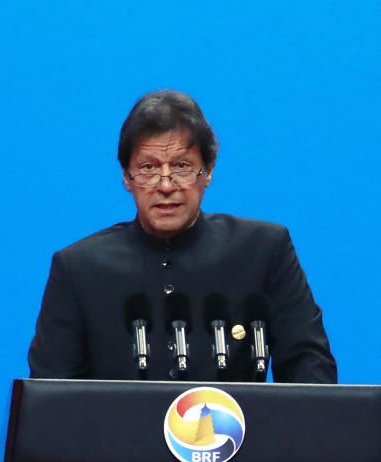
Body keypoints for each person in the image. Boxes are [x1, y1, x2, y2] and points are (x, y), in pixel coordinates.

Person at [27, 89, 336, 383]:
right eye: (148, 168)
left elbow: (311, 372)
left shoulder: (264, 250)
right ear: (126, 177)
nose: (165, 185)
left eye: (182, 166)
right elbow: (52, 398)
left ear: (209, 172)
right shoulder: (79, 268)